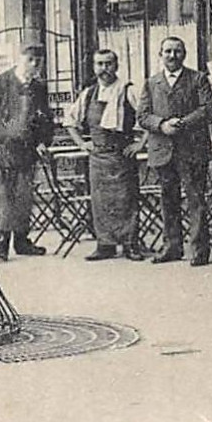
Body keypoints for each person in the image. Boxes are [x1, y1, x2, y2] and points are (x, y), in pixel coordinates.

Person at [137, 35, 212, 266]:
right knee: (168, 199)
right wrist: (162, 125)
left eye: (178, 51)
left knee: (195, 199)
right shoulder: (151, 83)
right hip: (163, 149)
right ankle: (172, 246)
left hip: (192, 149)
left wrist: (181, 123)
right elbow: (142, 116)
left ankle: (199, 250)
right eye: (168, 51)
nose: (172, 56)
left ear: (185, 54)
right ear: (160, 55)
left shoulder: (198, 79)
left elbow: (208, 109)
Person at [0, 39, 57, 261]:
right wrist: (1, 136)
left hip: (26, 150)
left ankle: (22, 241)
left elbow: (46, 119)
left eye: (38, 62)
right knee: (0, 197)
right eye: (29, 60)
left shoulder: (38, 88)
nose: (34, 66)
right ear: (19, 59)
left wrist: (43, 140)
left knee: (23, 197)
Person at [68, 49, 148, 262]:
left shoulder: (128, 90)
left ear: (117, 65)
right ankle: (105, 245)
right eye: (100, 64)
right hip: (98, 158)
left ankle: (131, 244)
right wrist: (82, 143)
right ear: (94, 67)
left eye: (109, 64)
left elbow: (147, 117)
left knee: (126, 200)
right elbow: (70, 121)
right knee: (101, 202)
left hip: (122, 155)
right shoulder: (88, 94)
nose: (104, 69)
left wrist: (140, 143)